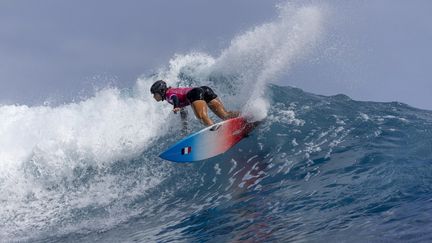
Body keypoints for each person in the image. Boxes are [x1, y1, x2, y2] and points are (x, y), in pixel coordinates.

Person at [150, 80, 239, 128]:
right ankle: (245, 115)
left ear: (161, 91)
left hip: (195, 93)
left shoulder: (168, 95)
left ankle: (215, 132)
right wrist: (184, 125)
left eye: (155, 93)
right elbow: (183, 110)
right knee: (225, 115)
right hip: (204, 90)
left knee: (202, 117)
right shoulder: (173, 92)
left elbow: (175, 98)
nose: (154, 96)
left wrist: (176, 106)